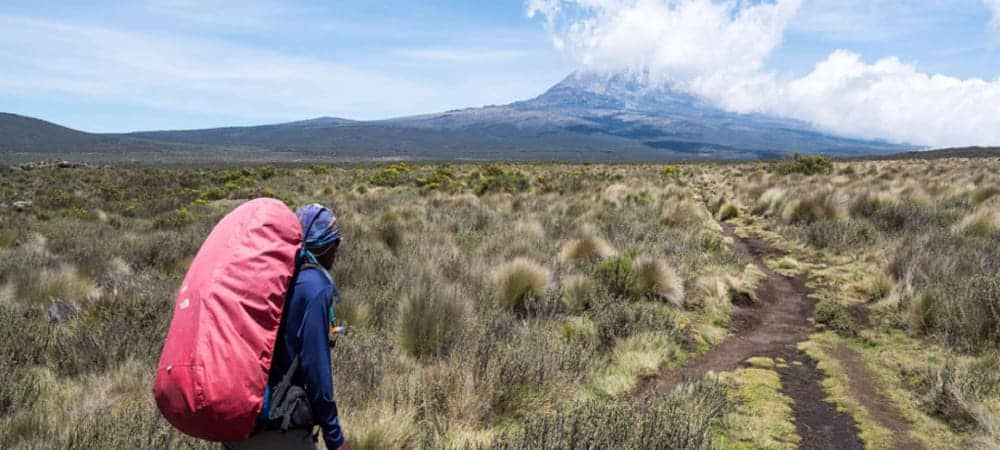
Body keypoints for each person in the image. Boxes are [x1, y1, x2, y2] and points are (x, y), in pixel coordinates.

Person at [223, 203, 349, 450]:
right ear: (322, 245)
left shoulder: (268, 278)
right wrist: (334, 436)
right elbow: (316, 369)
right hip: (279, 424)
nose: (337, 249)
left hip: (236, 421)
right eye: (335, 242)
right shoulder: (314, 286)